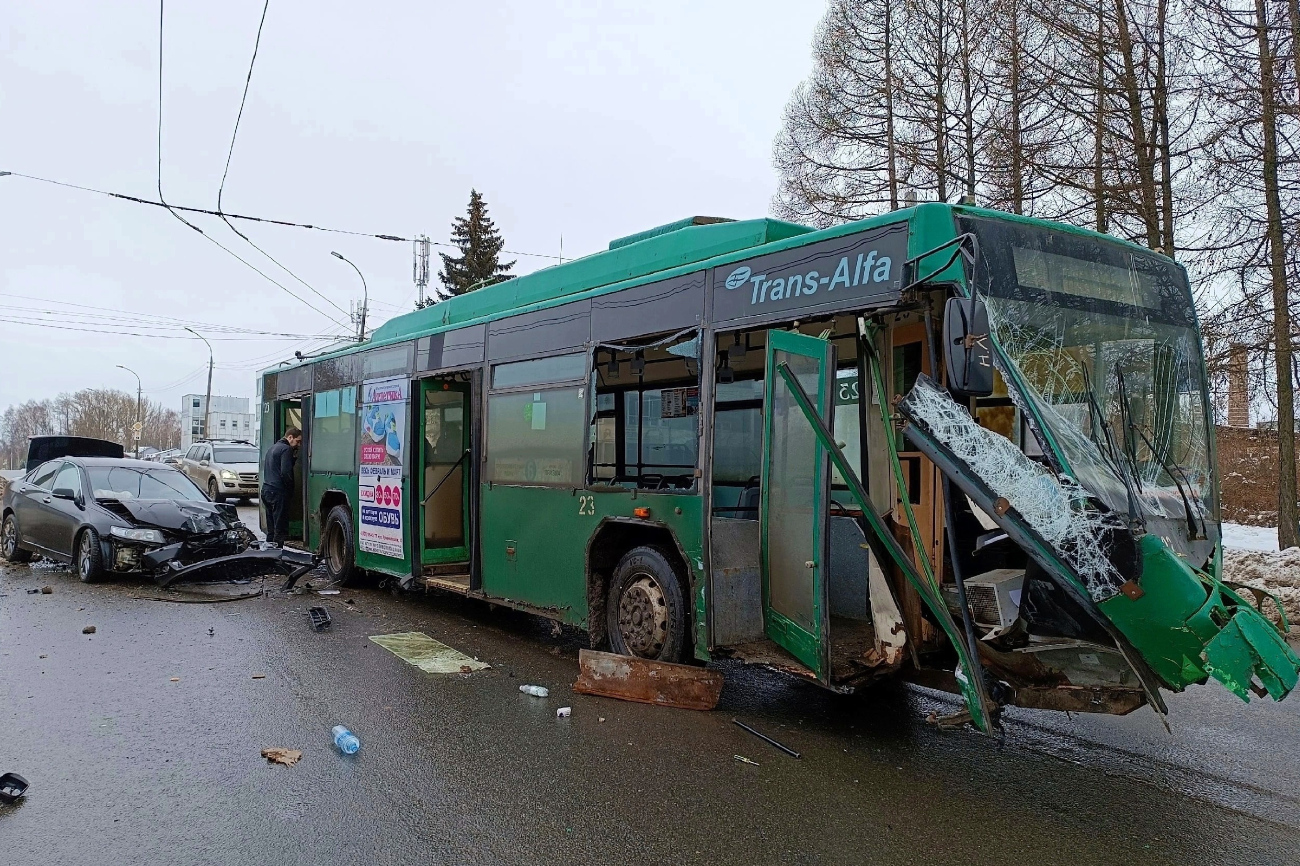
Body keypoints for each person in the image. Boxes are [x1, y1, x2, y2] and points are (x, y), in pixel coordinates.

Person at [262, 427, 301, 545]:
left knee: (271, 528)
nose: (298, 445)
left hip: (266, 490)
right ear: (290, 437)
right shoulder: (286, 449)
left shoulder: (272, 448)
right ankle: (278, 556)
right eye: (297, 441)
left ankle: (268, 553)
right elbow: (285, 472)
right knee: (280, 528)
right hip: (278, 492)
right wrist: (290, 489)